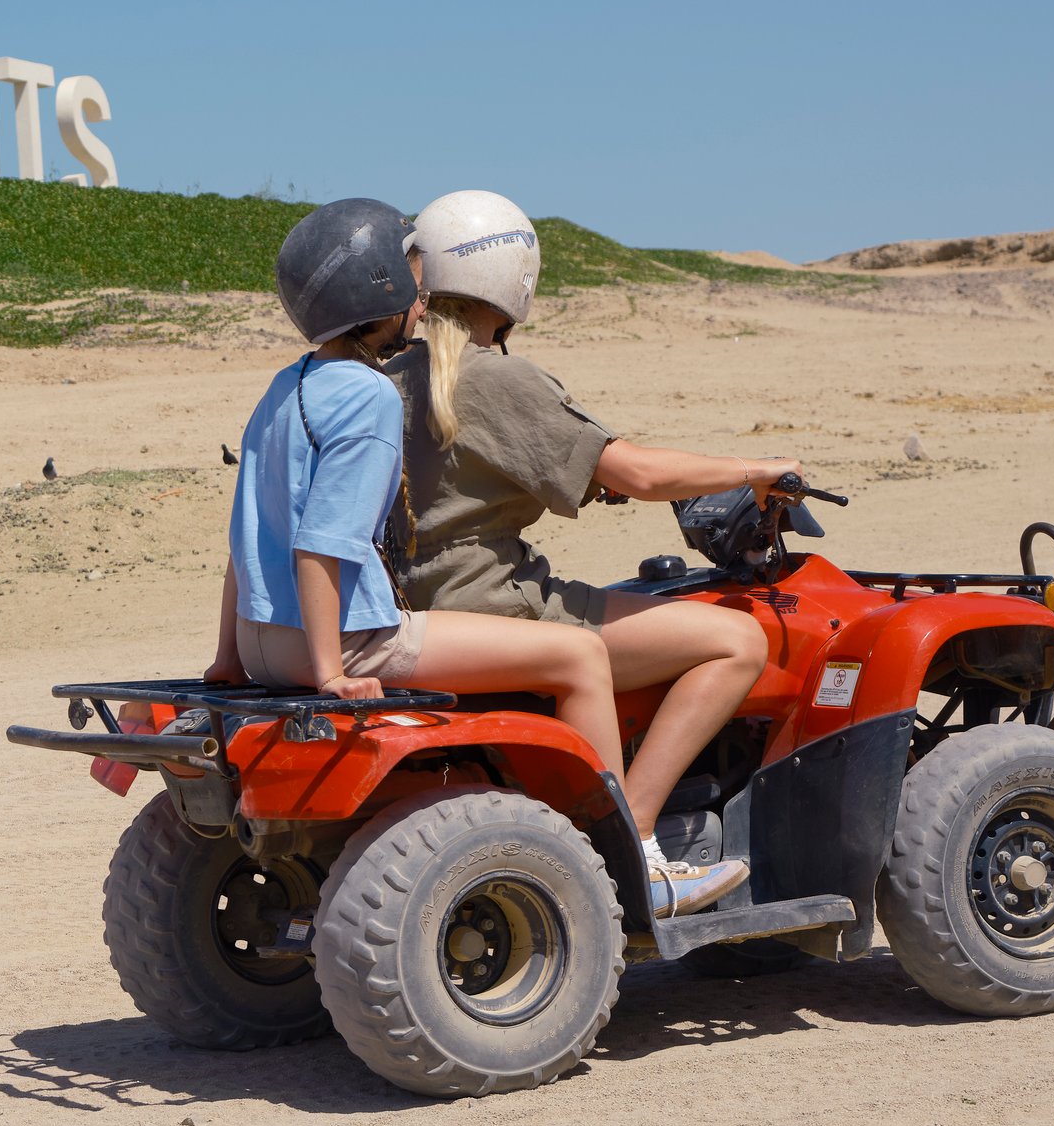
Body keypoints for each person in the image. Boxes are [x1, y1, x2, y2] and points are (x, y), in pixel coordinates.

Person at [205, 199, 743, 920]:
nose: (420, 298)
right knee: (584, 656)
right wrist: (331, 673)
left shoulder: (285, 385)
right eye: (409, 283)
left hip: (259, 640)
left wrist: (228, 660)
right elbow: (323, 543)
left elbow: (247, 537)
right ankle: (626, 862)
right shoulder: (368, 395)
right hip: (346, 640)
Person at [396, 189, 799, 901]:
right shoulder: (495, 376)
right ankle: (635, 838)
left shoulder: (391, 371)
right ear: (512, 276)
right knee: (737, 641)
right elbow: (638, 471)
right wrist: (756, 471)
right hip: (492, 605)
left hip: (412, 610)